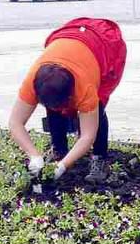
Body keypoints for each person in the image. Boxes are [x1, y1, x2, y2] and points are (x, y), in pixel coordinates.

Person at [8, 18, 127, 184]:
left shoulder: (85, 88)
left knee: (96, 109)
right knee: (54, 103)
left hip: (104, 46)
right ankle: (59, 149)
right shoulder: (34, 81)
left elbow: (87, 135)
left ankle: (99, 158)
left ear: (72, 94)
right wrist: (34, 156)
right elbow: (15, 123)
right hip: (70, 37)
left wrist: (63, 166)